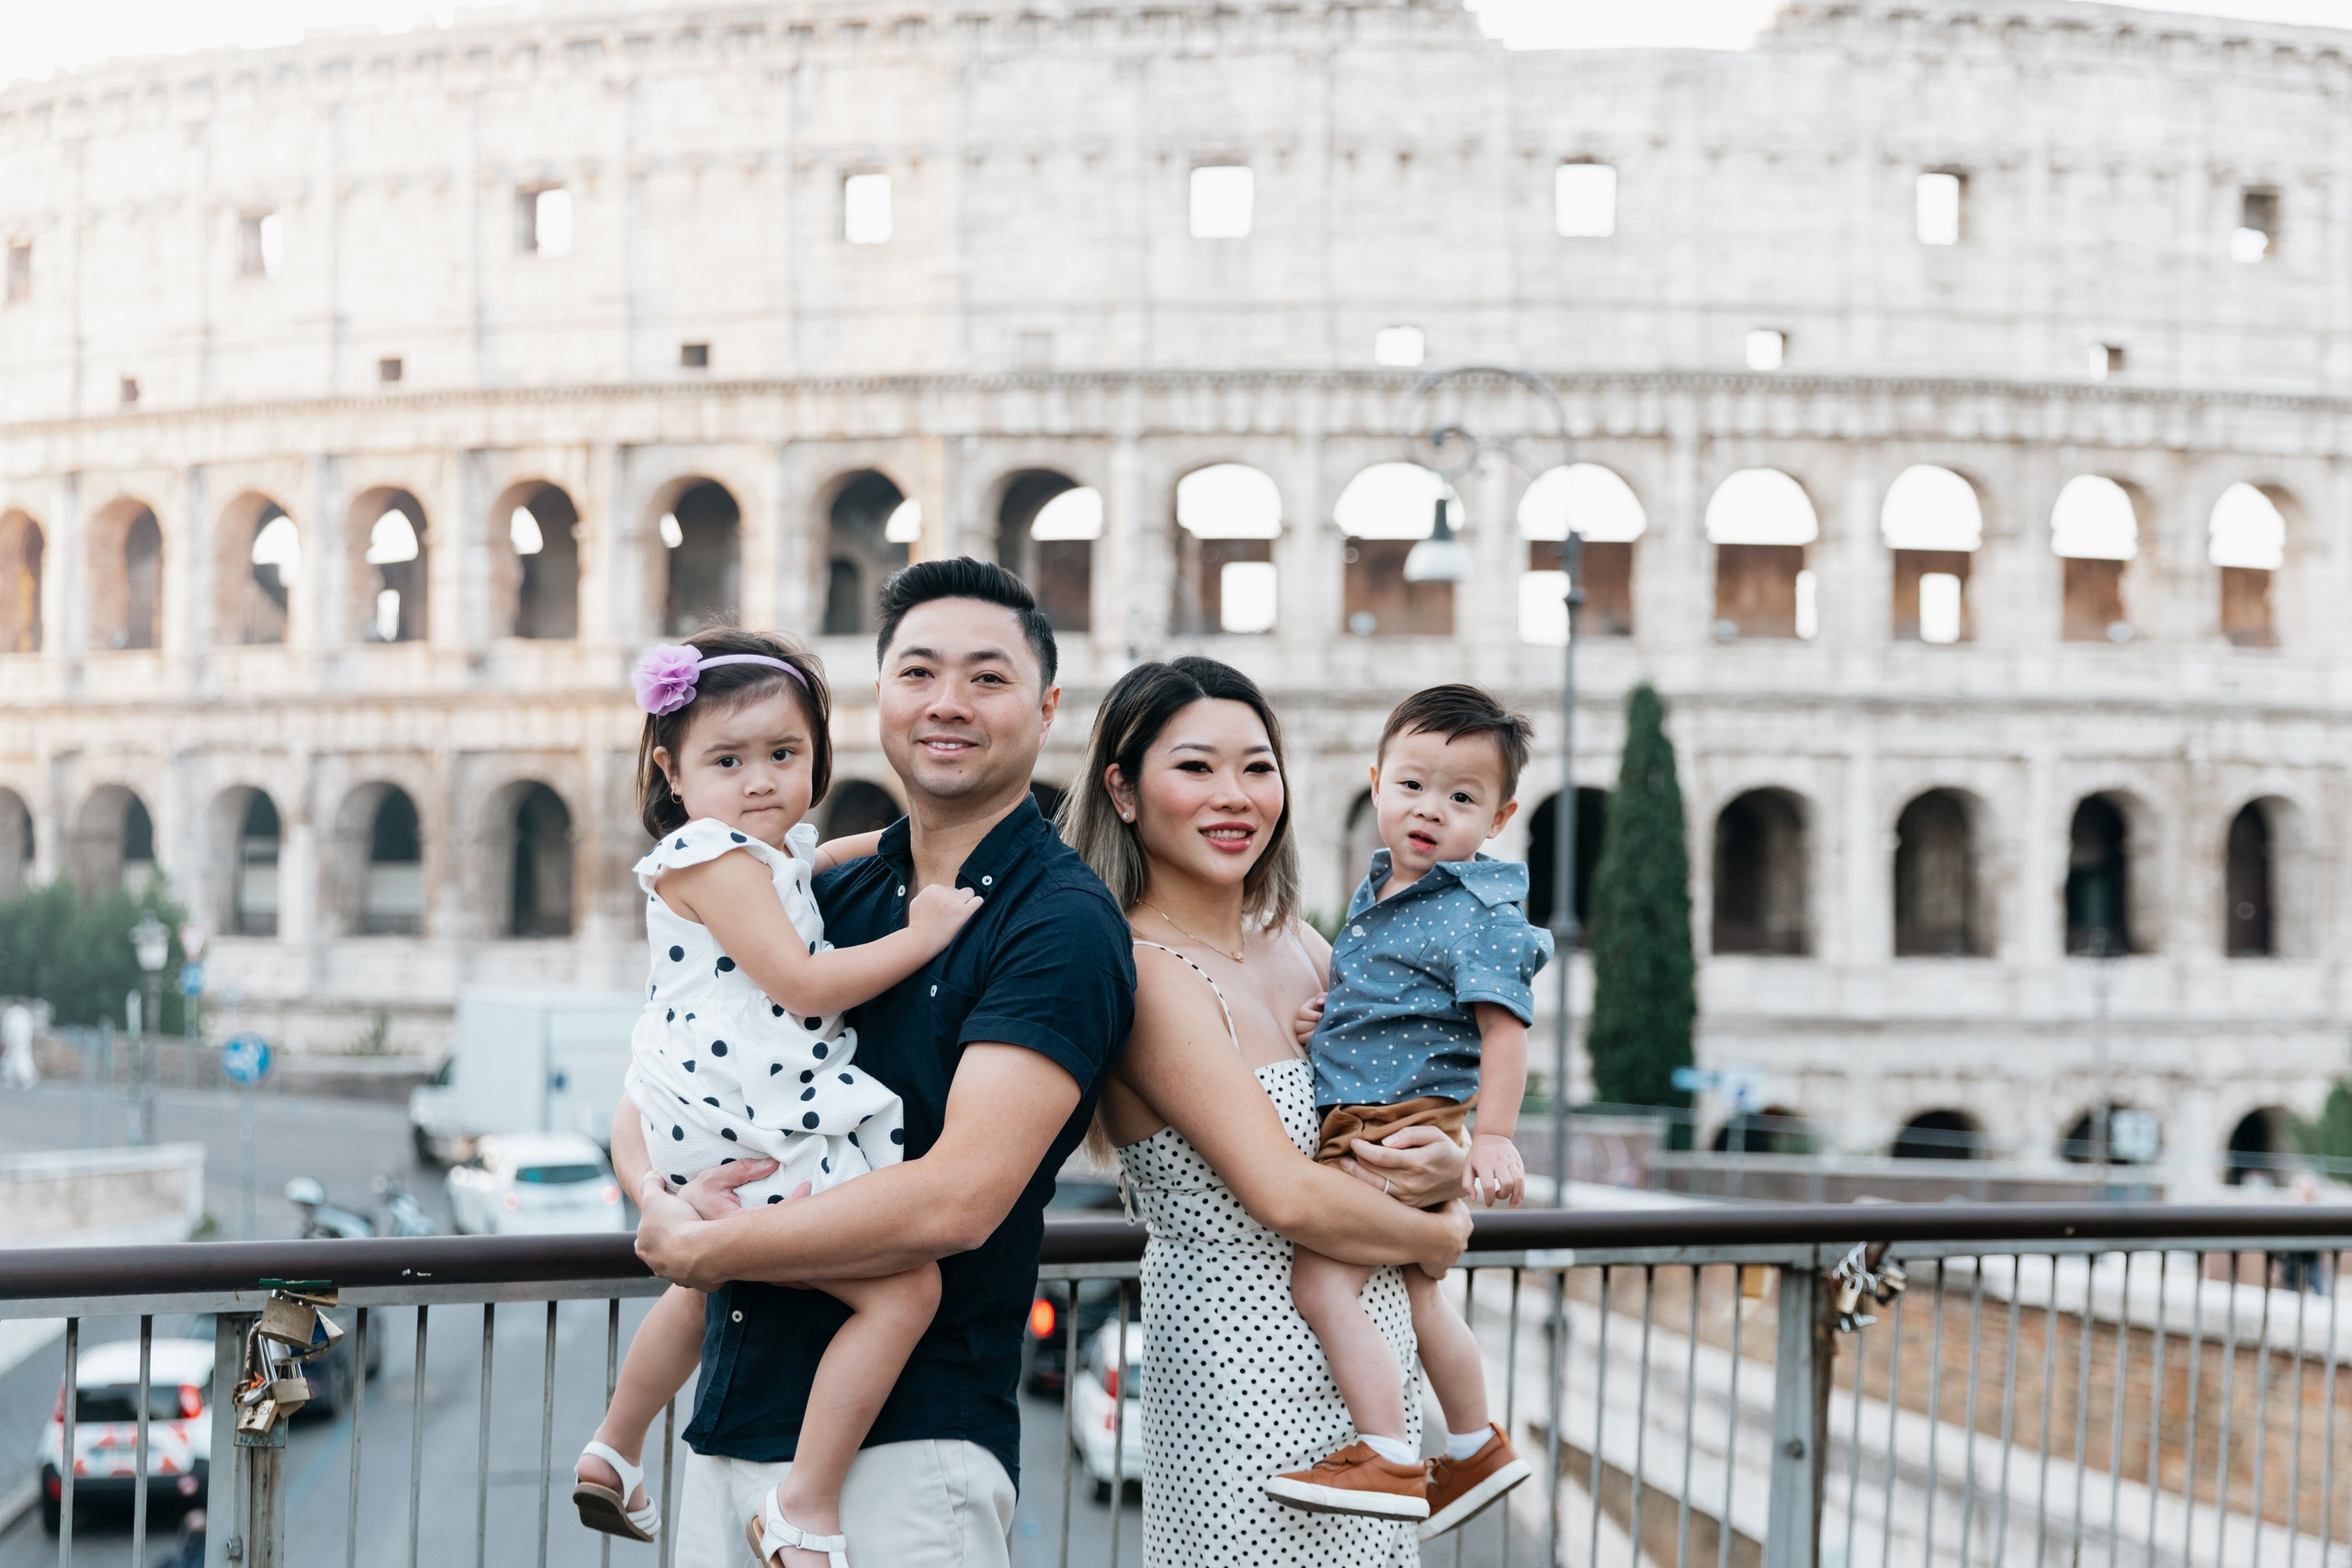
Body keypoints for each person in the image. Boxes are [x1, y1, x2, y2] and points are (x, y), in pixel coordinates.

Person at [627, 559, 1136, 1568]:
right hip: (731, 1423)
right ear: (879, 699)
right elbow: (662, 1073)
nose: (947, 702)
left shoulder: (1059, 923)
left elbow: (957, 1202)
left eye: (987, 677)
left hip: (907, 1454)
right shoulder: (830, 896)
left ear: (1046, 709)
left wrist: (710, 1250)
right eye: (918, 673)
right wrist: (656, 1196)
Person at [572, 627, 980, 1568]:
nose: (760, 781)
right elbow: (801, 982)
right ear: (672, 771)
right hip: (744, 1114)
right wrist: (924, 933)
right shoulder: (711, 855)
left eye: (784, 755)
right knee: (907, 1290)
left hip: (701, 1115)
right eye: (729, 761)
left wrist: (893, 844)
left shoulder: (750, 850)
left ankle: (614, 1448)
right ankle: (803, 1504)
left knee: (711, 1273)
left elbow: (807, 864)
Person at [1069, 656, 1474, 1566]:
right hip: (1239, 1372)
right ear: (1123, 791)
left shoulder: (1299, 941)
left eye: (1257, 767)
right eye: (1196, 767)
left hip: (1371, 1376)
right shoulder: (1139, 969)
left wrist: (1446, 1170)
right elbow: (1283, 1193)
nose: (1235, 795)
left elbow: (1401, 1103)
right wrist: (1439, 1232)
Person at [1272, 684, 1547, 1539]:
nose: (1430, 809)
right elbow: (1397, 1002)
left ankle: (1387, 1450)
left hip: (1390, 1127)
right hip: (1384, 1111)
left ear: (1498, 818)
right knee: (1422, 1295)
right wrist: (1332, 1019)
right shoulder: (1383, 886)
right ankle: (1474, 1445)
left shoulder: (1478, 911)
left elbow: (1504, 1033)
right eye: (1412, 785)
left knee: (1320, 1283)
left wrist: (1492, 1136)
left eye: (1460, 797)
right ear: (1376, 783)